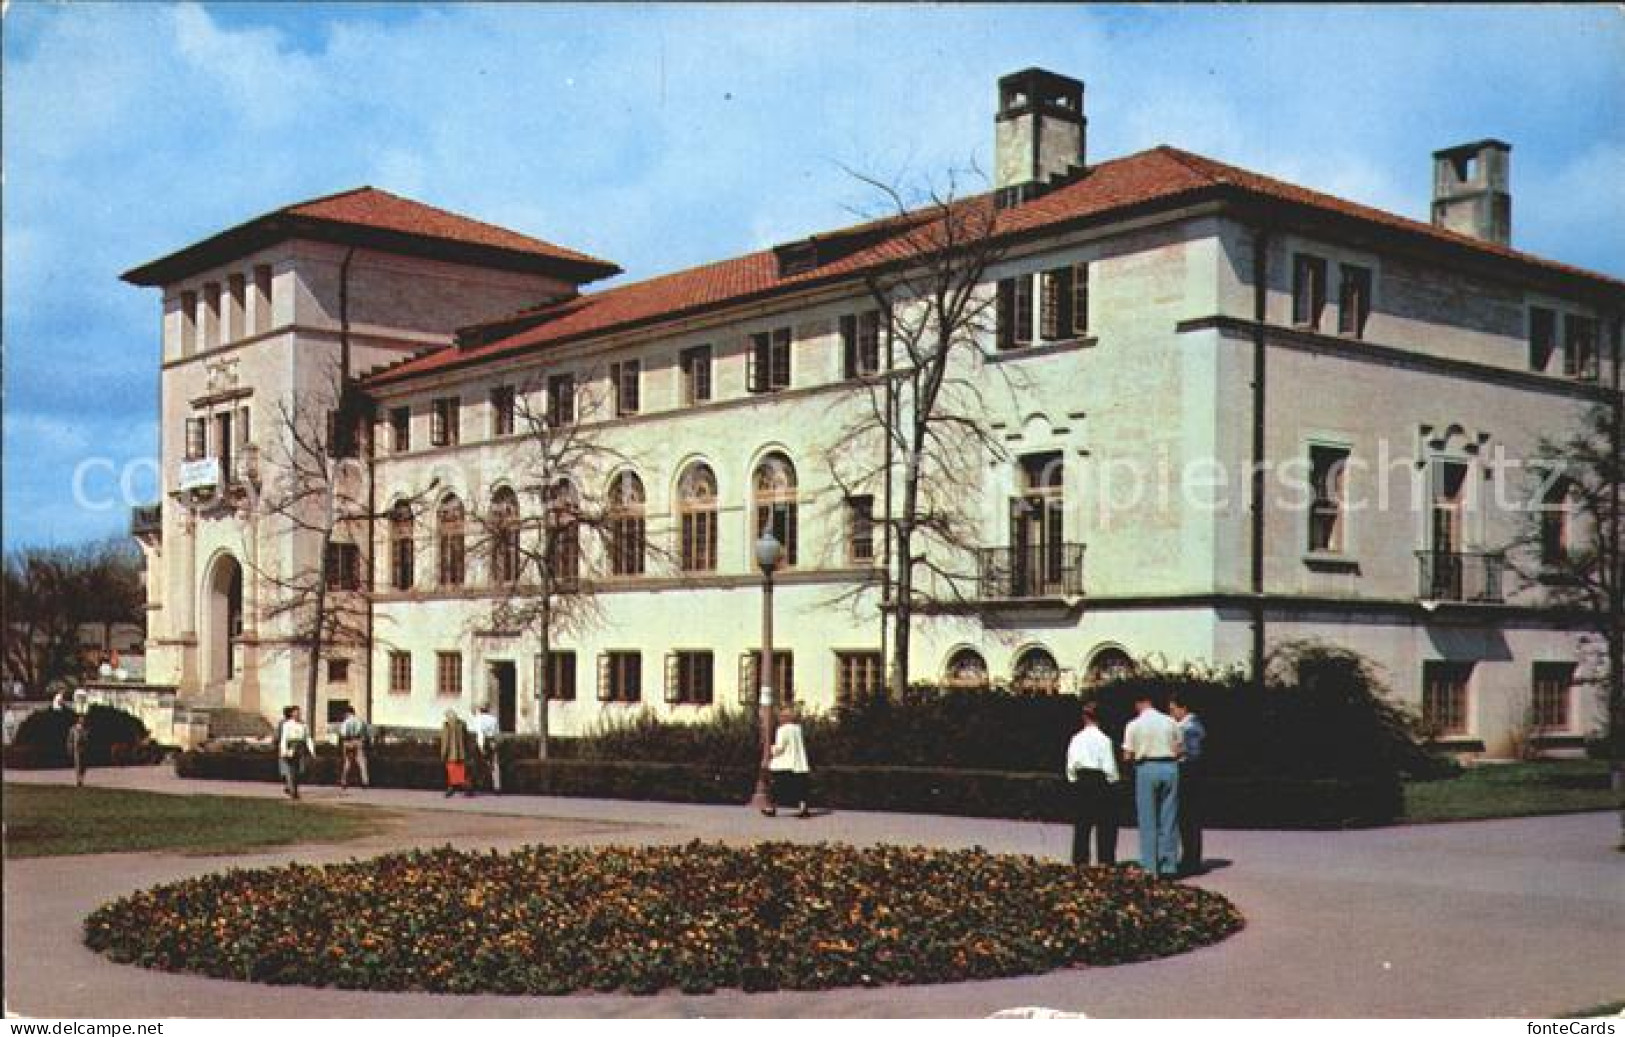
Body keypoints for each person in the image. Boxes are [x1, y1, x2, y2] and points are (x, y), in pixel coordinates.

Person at [1123, 692, 1183, 878]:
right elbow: (1179, 749)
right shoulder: (1170, 722)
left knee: (1147, 819)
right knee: (1169, 817)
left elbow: (1127, 755)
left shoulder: (1133, 725)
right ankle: (1168, 865)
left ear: (1139, 703)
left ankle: (1150, 867)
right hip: (1170, 767)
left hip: (1146, 767)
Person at [1064, 704, 1119, 866]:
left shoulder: (1076, 738)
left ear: (1084, 717)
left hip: (1082, 779)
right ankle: (1105, 860)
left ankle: (1080, 860)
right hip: (1099, 780)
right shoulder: (1104, 740)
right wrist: (1113, 780)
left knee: (1082, 824)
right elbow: (1109, 766)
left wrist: (1073, 779)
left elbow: (1071, 763)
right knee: (1105, 824)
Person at [1170, 694, 1207, 876]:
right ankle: (1190, 857)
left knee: (1189, 816)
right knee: (1187, 817)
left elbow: (1192, 752)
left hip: (1189, 772)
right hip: (1189, 772)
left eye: (1173, 709)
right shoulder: (1188, 726)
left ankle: (1191, 860)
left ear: (1182, 708)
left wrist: (1174, 752)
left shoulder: (1190, 727)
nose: (1171, 713)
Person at [763, 704, 811, 818]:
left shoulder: (782, 730)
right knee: (800, 787)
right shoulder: (798, 729)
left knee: (775, 787)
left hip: (784, 763)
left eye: (781, 716)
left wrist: (771, 749)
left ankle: (771, 808)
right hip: (799, 763)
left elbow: (780, 747)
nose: (779, 718)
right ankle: (803, 808)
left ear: (785, 717)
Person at [277, 705, 316, 800]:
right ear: (292, 714)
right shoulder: (287, 724)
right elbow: (284, 738)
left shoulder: (303, 725)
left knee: (299, 771)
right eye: (296, 712)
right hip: (291, 746)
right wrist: (284, 750)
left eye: (299, 713)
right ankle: (293, 791)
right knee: (290, 770)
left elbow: (308, 738)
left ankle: (293, 788)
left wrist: (312, 751)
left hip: (300, 747)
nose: (298, 714)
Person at [439, 708, 473, 797]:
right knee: (462, 772)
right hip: (462, 754)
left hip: (451, 754)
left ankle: (451, 789)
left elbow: (445, 741)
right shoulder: (462, 724)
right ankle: (466, 789)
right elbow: (467, 738)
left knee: (452, 772)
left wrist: (443, 754)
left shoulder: (446, 725)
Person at [471, 703, 501, 794]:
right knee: (494, 765)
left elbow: (479, 733)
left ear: (480, 710)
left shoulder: (477, 719)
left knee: (476, 765)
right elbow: (496, 733)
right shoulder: (494, 719)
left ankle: (474, 786)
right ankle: (497, 787)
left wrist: (481, 746)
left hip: (481, 741)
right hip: (491, 741)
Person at [338, 707, 370, 790]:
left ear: (348, 713)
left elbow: (343, 733)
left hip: (348, 742)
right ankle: (365, 782)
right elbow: (366, 733)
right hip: (358, 741)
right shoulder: (360, 721)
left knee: (348, 762)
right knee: (362, 763)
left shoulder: (346, 722)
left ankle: (344, 782)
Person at [66, 714, 90, 787]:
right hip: (76, 749)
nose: (82, 720)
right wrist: (70, 748)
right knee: (78, 765)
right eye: (81, 719)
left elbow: (88, 739)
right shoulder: (73, 729)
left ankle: (81, 779)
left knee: (84, 766)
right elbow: (70, 739)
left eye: (83, 719)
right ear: (78, 720)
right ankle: (78, 780)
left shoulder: (86, 729)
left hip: (84, 749)